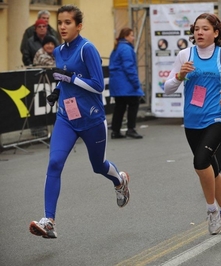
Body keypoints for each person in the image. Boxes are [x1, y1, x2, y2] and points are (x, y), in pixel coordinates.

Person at [29, 5, 130, 239]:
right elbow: (62, 77)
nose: (62, 27)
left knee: (98, 166)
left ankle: (120, 180)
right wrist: (57, 89)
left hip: (91, 118)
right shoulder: (59, 51)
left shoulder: (87, 49)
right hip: (66, 116)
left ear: (79, 25)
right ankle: (49, 221)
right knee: (54, 163)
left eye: (68, 23)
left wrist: (70, 78)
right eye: (60, 22)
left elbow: (97, 84)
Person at [164, 13, 221, 235]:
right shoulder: (185, 54)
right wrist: (179, 75)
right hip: (192, 120)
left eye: (205, 29)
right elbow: (168, 88)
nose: (199, 32)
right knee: (211, 170)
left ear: (216, 33)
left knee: (200, 161)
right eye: (197, 29)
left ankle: (212, 211)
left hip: (217, 117)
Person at [109, 27, 144, 139]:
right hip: (126, 84)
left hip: (117, 83)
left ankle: (115, 130)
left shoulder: (117, 47)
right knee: (133, 104)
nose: (133, 38)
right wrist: (136, 83)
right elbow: (129, 67)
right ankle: (131, 129)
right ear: (126, 36)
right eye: (132, 35)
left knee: (119, 106)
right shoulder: (126, 49)